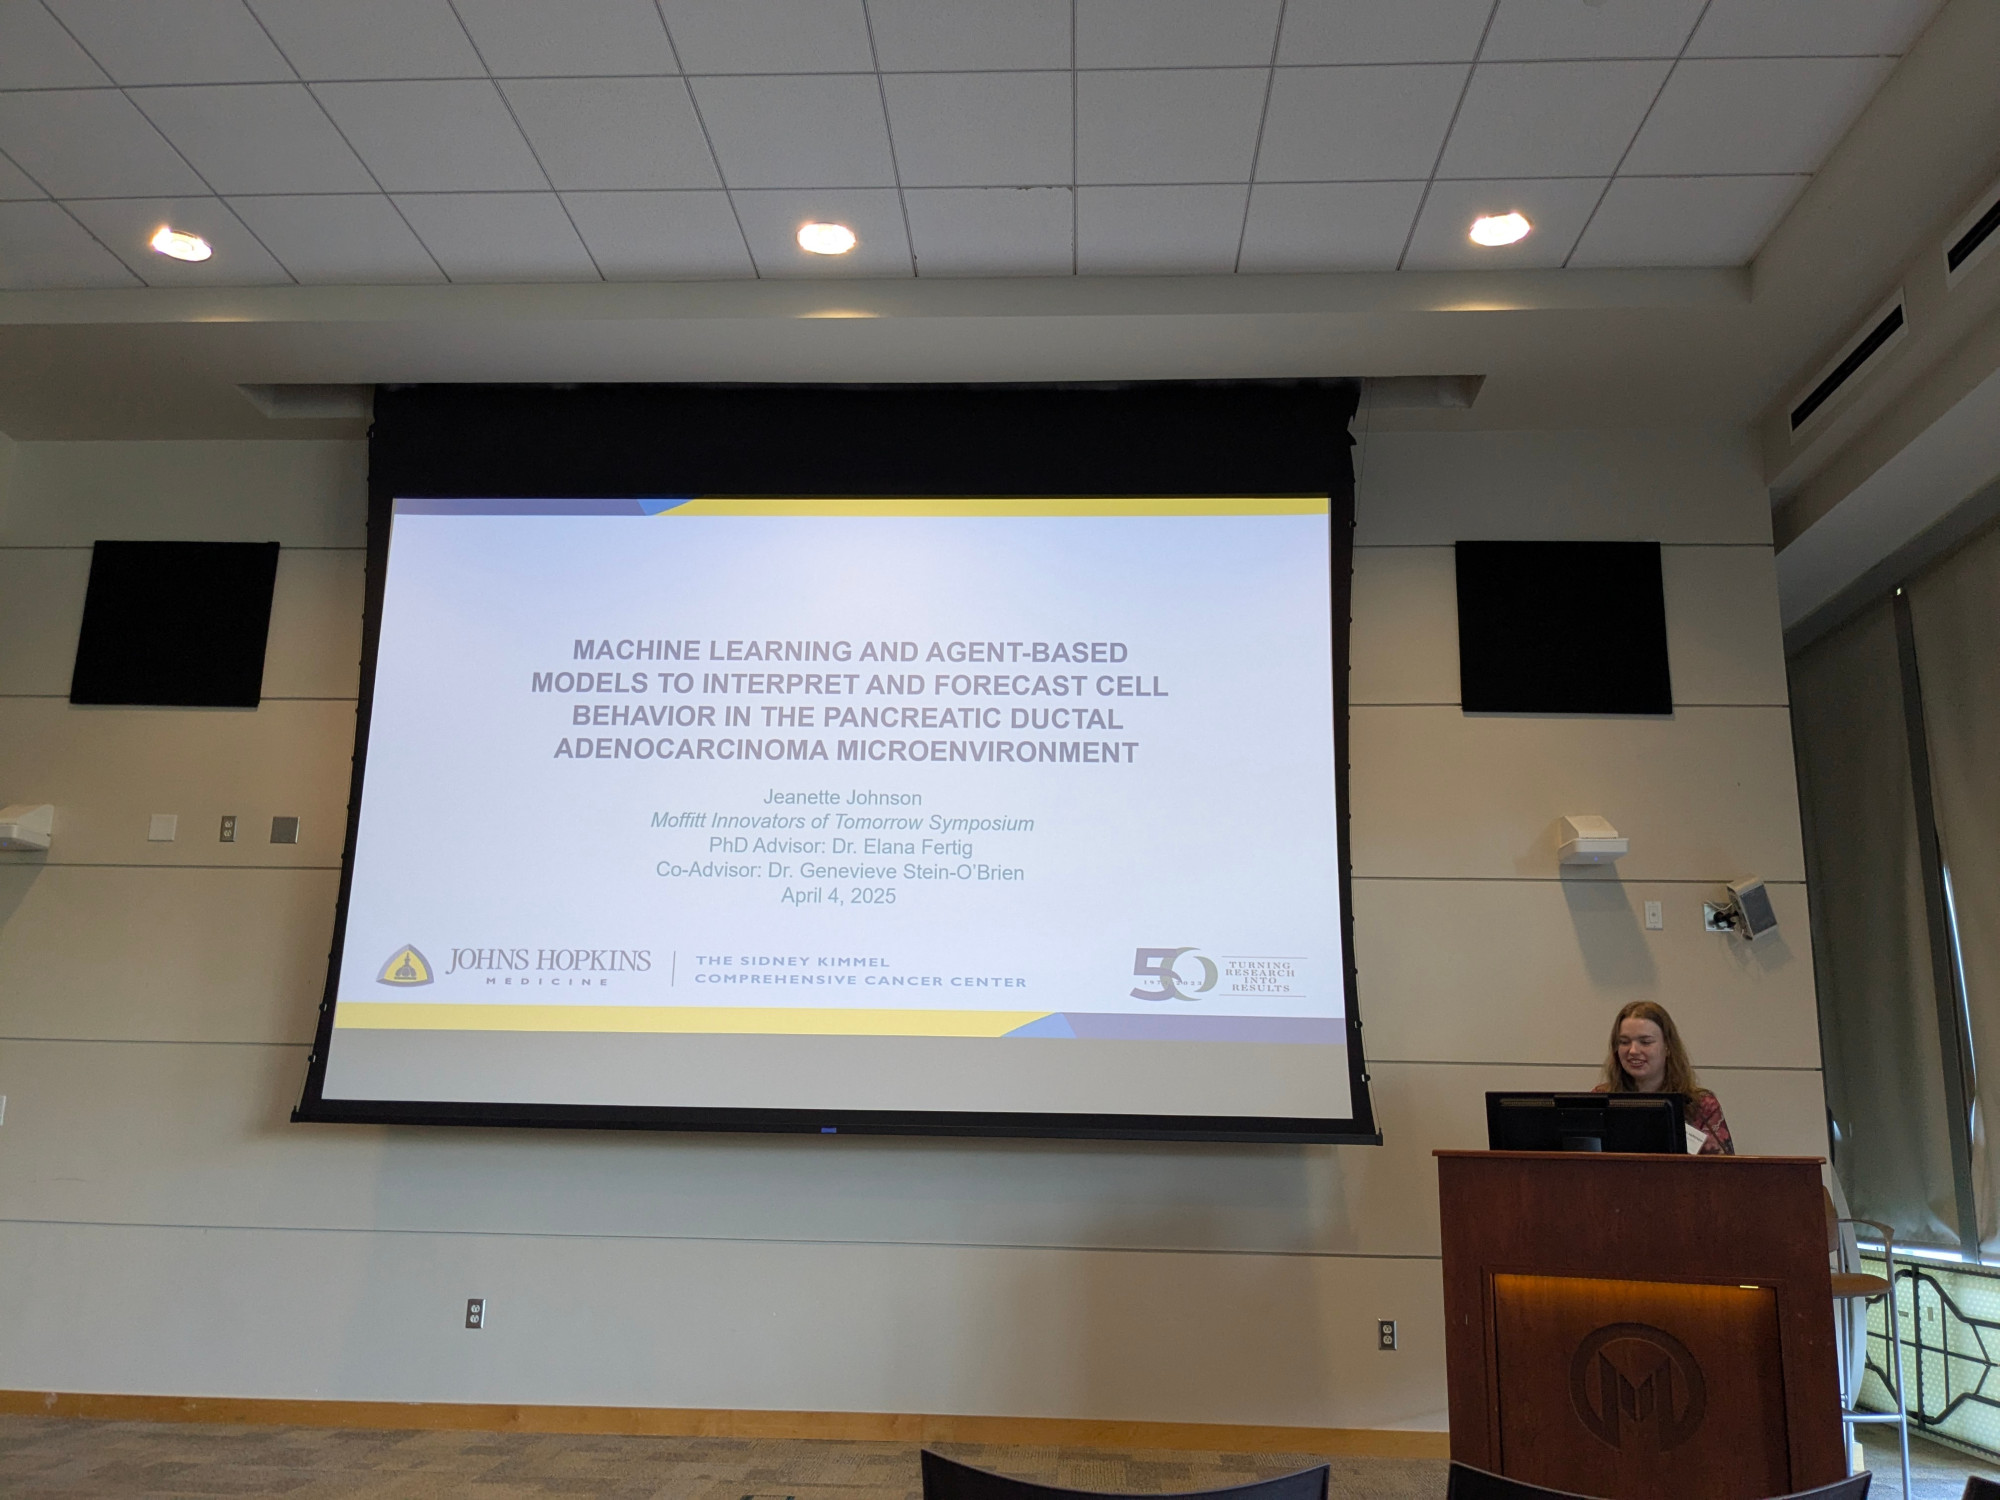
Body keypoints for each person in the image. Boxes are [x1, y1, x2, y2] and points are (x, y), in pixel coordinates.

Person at [1594, 1000, 1734, 1155]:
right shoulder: (1600, 1099)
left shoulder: (1701, 1105)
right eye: (1624, 1042)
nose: (1633, 1051)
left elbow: (1723, 1167)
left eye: (1645, 1042)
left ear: (1667, 1047)